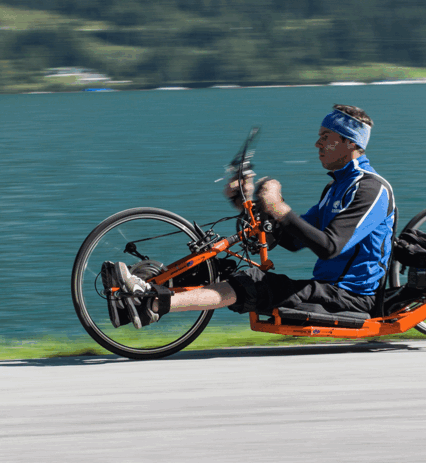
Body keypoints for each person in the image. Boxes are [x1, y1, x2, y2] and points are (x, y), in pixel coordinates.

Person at [103, 104, 396, 329]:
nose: (317, 144)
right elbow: (294, 241)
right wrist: (251, 206)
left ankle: (153, 304)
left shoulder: (372, 189)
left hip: (350, 297)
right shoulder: (336, 188)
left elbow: (329, 247)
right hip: (326, 289)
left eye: (325, 137)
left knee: (256, 282)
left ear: (350, 143)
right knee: (220, 267)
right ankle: (139, 294)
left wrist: (279, 207)